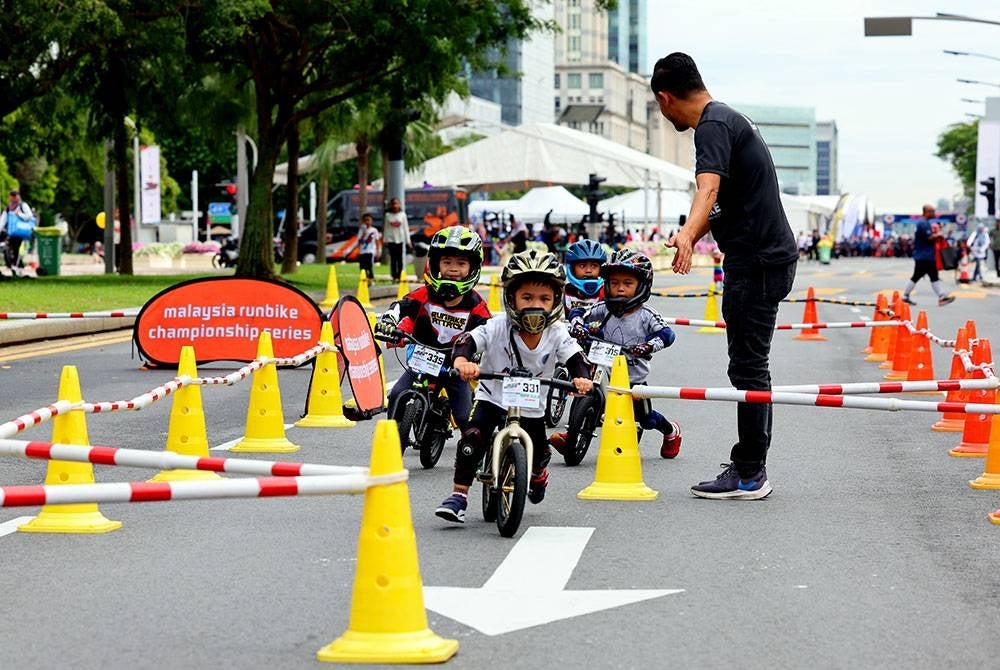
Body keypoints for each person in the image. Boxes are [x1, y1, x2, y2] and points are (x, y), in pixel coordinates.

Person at [651, 52, 797, 500]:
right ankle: (751, 465)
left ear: (665, 98)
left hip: (756, 262)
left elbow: (708, 187)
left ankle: (751, 472)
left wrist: (688, 234)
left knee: (749, 368)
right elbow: (723, 202)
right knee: (751, 367)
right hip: (763, 258)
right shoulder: (731, 119)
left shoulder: (712, 126)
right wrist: (697, 231)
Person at [435, 249, 593, 523]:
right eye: (527, 297)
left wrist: (582, 377)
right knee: (472, 439)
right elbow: (468, 340)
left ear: (556, 301)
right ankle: (459, 496)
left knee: (541, 453)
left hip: (531, 405)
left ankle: (537, 474)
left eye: (544, 298)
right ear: (511, 299)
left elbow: (576, 357)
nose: (536, 305)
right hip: (492, 396)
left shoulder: (557, 332)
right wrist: (462, 360)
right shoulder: (498, 325)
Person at [554, 248, 683, 459]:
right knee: (588, 389)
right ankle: (572, 434)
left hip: (633, 377)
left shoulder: (646, 315)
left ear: (641, 285)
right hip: (602, 366)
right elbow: (579, 312)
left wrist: (648, 346)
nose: (620, 289)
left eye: (627, 283)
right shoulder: (604, 308)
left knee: (646, 418)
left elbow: (667, 334)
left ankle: (670, 431)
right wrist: (577, 325)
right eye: (614, 283)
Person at [371, 226, 491, 433]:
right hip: (422, 362)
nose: (453, 268)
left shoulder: (476, 305)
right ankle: (389, 443)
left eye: (461, 263)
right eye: (447, 262)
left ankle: (475, 458)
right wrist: (389, 322)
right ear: (435, 264)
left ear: (473, 268)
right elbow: (400, 306)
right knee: (397, 395)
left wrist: (480, 352)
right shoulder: (424, 294)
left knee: (464, 417)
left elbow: (489, 331)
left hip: (455, 367)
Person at [900, 205, 955, 306]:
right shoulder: (923, 223)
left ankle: (906, 296)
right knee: (929, 276)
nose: (934, 214)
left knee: (923, 276)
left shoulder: (923, 223)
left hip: (923, 256)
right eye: (932, 212)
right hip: (925, 256)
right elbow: (929, 237)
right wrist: (939, 235)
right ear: (927, 212)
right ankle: (941, 297)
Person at [562, 238, 607, 321]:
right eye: (582, 266)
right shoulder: (563, 292)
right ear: (572, 269)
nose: (588, 270)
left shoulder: (606, 292)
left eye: (594, 266)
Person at [0, 189, 34, 270]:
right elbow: (3, 220)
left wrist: (19, 214)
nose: (13, 199)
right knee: (6, 248)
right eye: (12, 197)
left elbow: (29, 216)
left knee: (16, 248)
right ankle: (12, 264)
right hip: (10, 232)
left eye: (15, 196)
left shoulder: (23, 205)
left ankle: (15, 265)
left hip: (20, 231)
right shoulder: (8, 208)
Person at [383, 197, 412, 281]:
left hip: (400, 239)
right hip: (391, 240)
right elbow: (386, 228)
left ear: (399, 205)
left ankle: (400, 275)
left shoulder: (402, 215)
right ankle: (394, 276)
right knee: (393, 259)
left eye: (397, 203)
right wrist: (385, 240)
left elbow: (405, 228)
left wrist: (408, 241)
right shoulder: (388, 215)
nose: (395, 205)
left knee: (399, 258)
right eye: (393, 204)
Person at [357, 212, 378, 282]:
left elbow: (376, 241)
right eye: (365, 220)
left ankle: (371, 280)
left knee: (369, 266)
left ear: (371, 221)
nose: (367, 222)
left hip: (370, 251)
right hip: (362, 251)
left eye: (368, 220)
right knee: (362, 267)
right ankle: (364, 280)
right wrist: (364, 233)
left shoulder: (374, 230)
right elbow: (359, 241)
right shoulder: (361, 230)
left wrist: (377, 251)